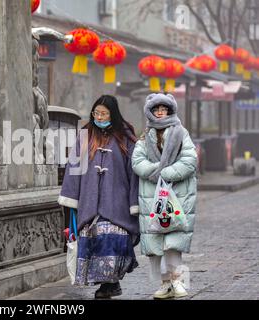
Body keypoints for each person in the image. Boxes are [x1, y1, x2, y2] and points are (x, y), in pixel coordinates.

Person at [58, 94, 140, 299]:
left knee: (112, 237)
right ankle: (107, 284)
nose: (100, 116)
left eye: (104, 113)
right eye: (97, 112)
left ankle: (111, 282)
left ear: (113, 114)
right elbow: (73, 168)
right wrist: (71, 198)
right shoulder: (85, 136)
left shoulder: (126, 138)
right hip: (90, 200)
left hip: (117, 200)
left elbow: (134, 171)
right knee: (93, 238)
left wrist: (134, 202)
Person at [131, 93, 197, 299]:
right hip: (152, 197)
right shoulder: (146, 135)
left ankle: (177, 281)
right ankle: (164, 283)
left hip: (177, 194)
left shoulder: (180, 133)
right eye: (156, 109)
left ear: (169, 110)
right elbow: (137, 161)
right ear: (151, 112)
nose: (160, 112)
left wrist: (165, 173)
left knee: (173, 242)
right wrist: (156, 172)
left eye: (164, 109)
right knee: (156, 244)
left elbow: (189, 159)